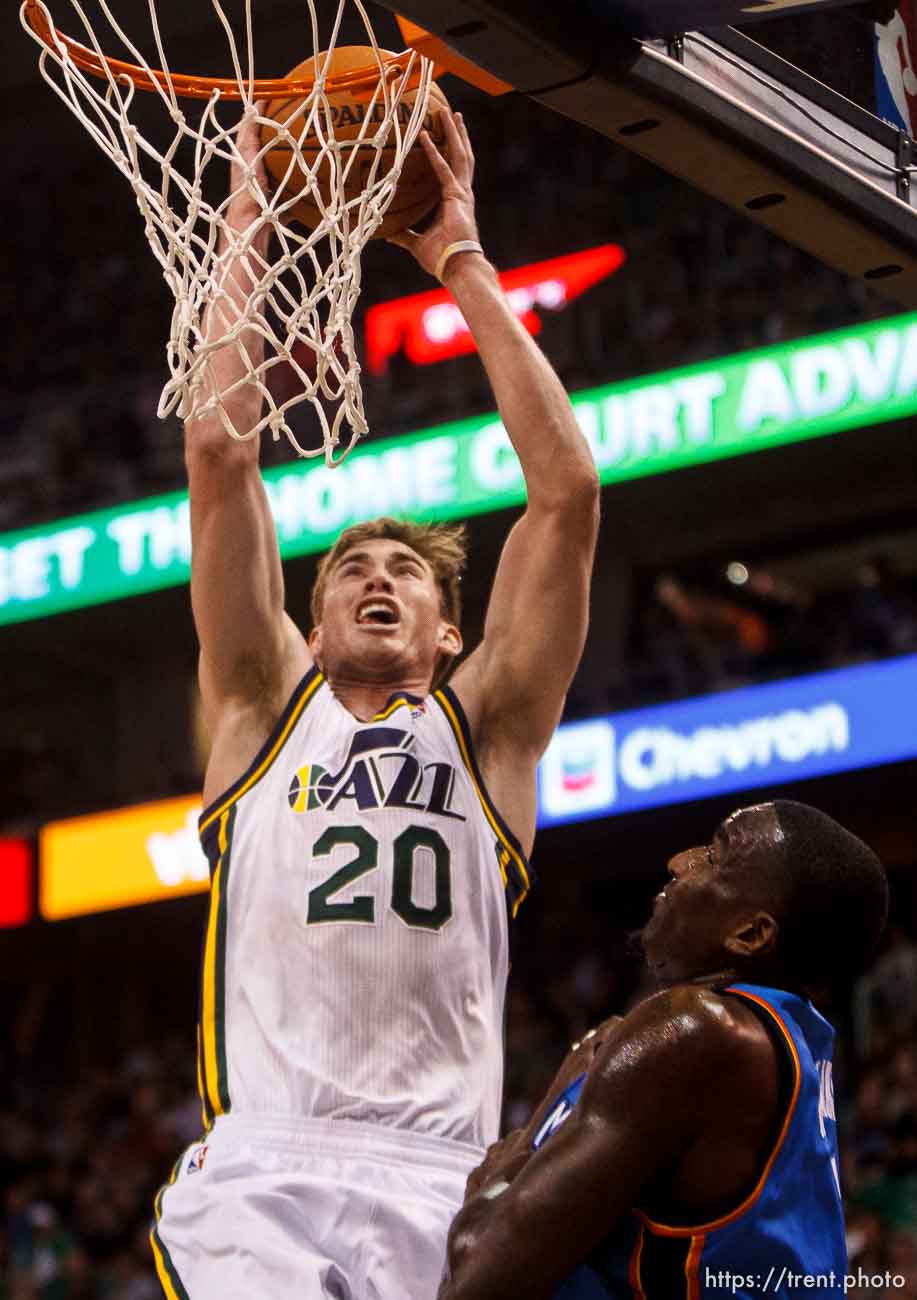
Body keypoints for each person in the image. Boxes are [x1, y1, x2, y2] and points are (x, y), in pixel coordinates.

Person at [150, 107, 600, 1299]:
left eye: (404, 570)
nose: (374, 576)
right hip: (266, 1167)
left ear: (451, 633)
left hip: (449, 1173)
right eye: (348, 566)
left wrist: (459, 256)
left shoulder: (490, 728)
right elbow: (217, 452)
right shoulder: (260, 706)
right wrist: (248, 203)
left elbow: (564, 494)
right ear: (306, 622)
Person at [439, 799, 889, 1300]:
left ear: (750, 933)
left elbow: (478, 1274)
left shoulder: (696, 1031)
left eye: (714, 858)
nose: (680, 860)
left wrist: (515, 1148)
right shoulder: (797, 1042)